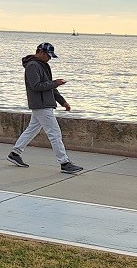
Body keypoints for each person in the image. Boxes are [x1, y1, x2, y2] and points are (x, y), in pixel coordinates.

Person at [7, 42, 84, 174]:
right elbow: (36, 86)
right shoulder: (33, 66)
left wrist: (62, 101)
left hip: (43, 104)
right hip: (41, 105)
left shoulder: (41, 65)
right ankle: (64, 163)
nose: (49, 58)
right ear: (40, 52)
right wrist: (55, 83)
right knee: (55, 133)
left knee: (32, 130)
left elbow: (49, 86)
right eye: (48, 55)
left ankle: (15, 153)